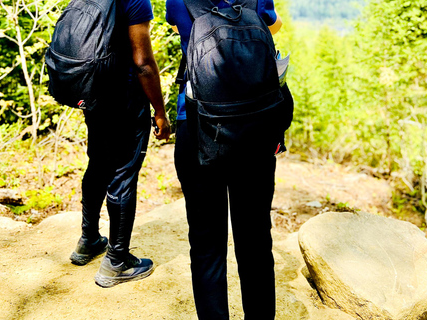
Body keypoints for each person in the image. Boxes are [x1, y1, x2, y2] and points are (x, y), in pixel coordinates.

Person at [166, 0, 291, 318]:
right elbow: (273, 25)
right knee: (256, 242)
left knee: (207, 246)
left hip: (196, 124)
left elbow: (177, 26)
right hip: (255, 126)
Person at [68, 0, 171, 288]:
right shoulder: (135, 0)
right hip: (124, 100)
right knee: (123, 175)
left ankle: (88, 239)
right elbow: (143, 64)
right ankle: (117, 261)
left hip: (93, 94)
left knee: (98, 162)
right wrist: (160, 111)